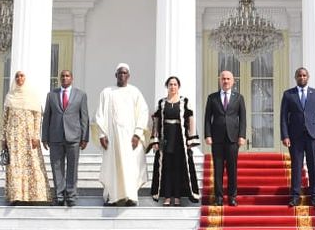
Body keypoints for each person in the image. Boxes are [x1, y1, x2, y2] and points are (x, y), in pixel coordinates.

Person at [94, 63, 150, 207]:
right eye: (120, 73)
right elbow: (100, 115)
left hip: (130, 138)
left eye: (125, 73)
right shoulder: (107, 92)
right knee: (113, 166)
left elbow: (143, 113)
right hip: (112, 138)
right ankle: (113, 197)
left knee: (131, 166)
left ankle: (130, 197)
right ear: (115, 75)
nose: (122, 75)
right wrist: (102, 134)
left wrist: (137, 134)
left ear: (129, 76)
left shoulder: (135, 92)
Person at [1, 71, 51, 205]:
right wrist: (3, 138)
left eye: (22, 76)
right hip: (13, 137)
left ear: (26, 79)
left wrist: (36, 136)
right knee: (15, 166)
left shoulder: (32, 96)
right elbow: (5, 119)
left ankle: (35, 196)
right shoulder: (10, 96)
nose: (19, 78)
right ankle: (17, 196)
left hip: (29, 137)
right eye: (17, 76)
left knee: (32, 164)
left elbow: (37, 118)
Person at [280, 67, 315, 207]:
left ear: (308, 77)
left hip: (313, 136)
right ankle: (295, 196)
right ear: (296, 78)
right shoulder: (289, 94)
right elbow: (283, 117)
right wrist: (285, 135)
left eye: (304, 75)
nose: (302, 77)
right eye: (299, 75)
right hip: (295, 137)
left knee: (313, 167)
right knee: (296, 167)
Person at [41, 70, 89, 207]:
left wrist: (85, 137)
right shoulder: (51, 95)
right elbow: (47, 117)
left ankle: (71, 195)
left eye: (67, 76)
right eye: (62, 76)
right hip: (55, 136)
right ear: (59, 79)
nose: (64, 78)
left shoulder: (81, 95)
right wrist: (44, 137)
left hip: (74, 137)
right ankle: (59, 196)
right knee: (57, 167)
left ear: (72, 78)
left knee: (72, 167)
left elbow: (84, 117)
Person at [151, 76, 200, 206]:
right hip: (166, 139)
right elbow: (156, 122)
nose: (173, 87)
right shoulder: (161, 103)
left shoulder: (184, 102)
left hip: (180, 140)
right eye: (170, 84)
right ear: (167, 86)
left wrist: (191, 140)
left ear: (178, 86)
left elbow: (190, 120)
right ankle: (167, 197)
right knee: (166, 168)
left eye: (175, 84)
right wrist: (155, 140)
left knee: (178, 168)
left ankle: (177, 197)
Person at [203, 70, 246, 207]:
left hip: (233, 138)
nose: (226, 81)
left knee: (232, 169)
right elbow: (207, 119)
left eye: (228, 79)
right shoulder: (212, 98)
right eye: (223, 79)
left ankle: (232, 197)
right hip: (217, 139)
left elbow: (243, 119)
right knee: (218, 169)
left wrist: (242, 135)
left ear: (233, 81)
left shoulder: (239, 98)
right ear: (220, 80)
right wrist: (208, 135)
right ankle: (219, 198)